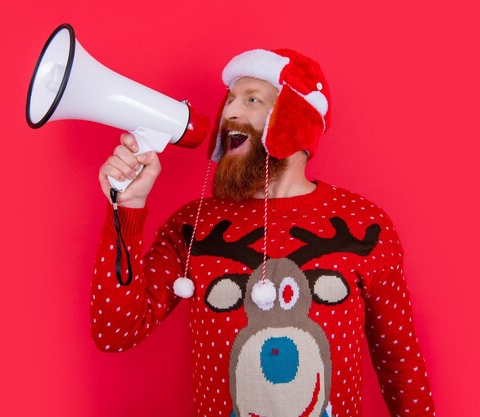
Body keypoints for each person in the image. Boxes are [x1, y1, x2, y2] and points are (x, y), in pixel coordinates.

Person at [91, 49, 435, 417]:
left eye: (252, 99)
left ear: (296, 118)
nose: (229, 113)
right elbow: (116, 329)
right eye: (230, 101)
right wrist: (128, 206)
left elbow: (401, 365)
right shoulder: (192, 226)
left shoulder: (364, 224)